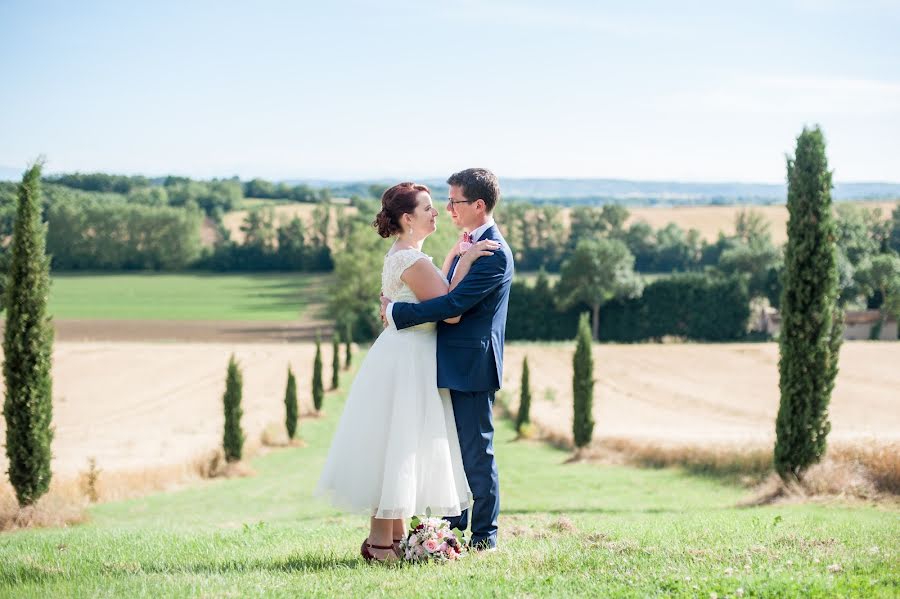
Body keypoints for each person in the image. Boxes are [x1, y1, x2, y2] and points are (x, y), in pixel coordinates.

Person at [316, 181, 499, 562]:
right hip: (409, 360)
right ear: (407, 217)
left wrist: (451, 259)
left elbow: (438, 289)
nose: (437, 212)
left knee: (397, 444)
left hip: (404, 355)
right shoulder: (412, 261)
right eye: (428, 207)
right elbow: (450, 309)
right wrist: (464, 262)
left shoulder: (409, 255)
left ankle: (391, 538)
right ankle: (382, 545)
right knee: (398, 446)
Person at [382, 168, 514, 551]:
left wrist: (396, 315)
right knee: (451, 452)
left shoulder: (492, 253)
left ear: (478, 204)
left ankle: (484, 536)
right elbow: (444, 289)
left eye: (454, 201)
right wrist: (457, 256)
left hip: (471, 368)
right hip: (444, 363)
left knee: (476, 453)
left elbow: (453, 305)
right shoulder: (468, 244)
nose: (448, 207)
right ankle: (444, 530)